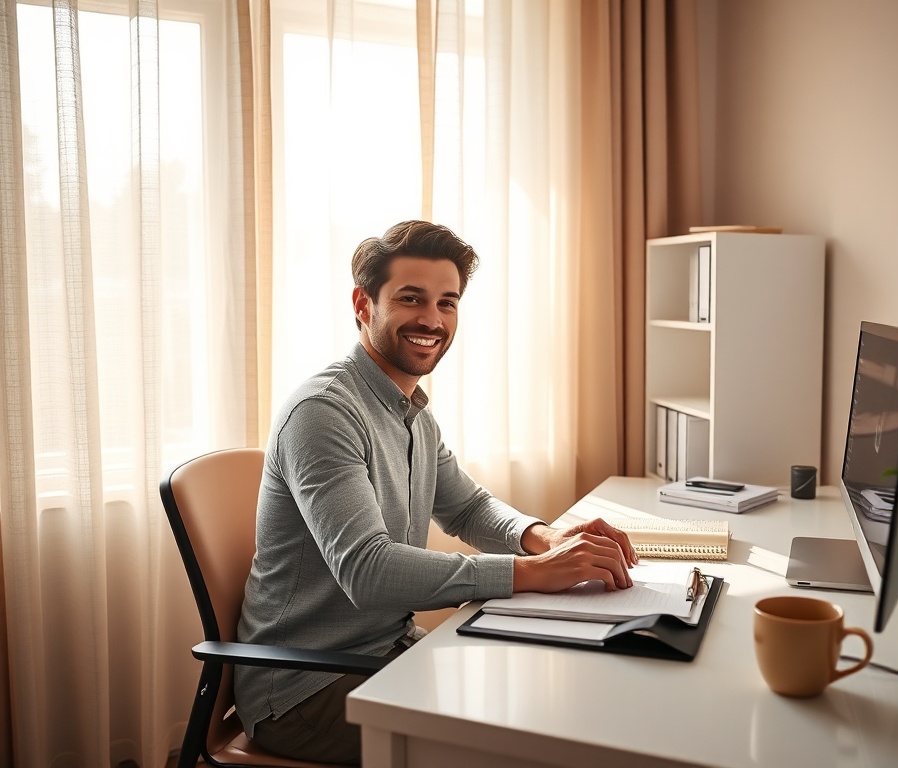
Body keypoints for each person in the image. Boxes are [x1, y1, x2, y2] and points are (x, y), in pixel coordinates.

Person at [235, 220, 637, 764]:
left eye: (447, 303)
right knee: (520, 744)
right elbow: (368, 571)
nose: (432, 319)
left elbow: (468, 507)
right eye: (411, 299)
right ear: (363, 303)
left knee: (553, 694)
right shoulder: (324, 413)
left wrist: (545, 537)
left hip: (389, 654)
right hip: (303, 688)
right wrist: (529, 574)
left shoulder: (411, 411)